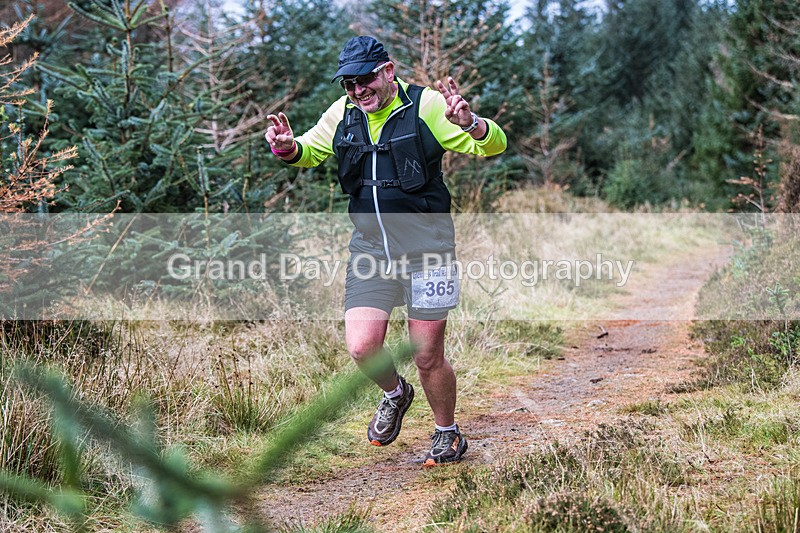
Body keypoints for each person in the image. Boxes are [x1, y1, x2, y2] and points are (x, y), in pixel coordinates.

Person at [265, 36, 506, 466]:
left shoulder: (428, 106)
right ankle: (397, 394)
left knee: (427, 355)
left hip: (427, 250)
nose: (358, 91)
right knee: (361, 347)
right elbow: (310, 150)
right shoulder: (344, 113)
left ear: (388, 71)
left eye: (365, 80)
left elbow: (493, 146)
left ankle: (447, 433)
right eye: (349, 84)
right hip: (370, 252)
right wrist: (287, 148)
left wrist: (472, 123)